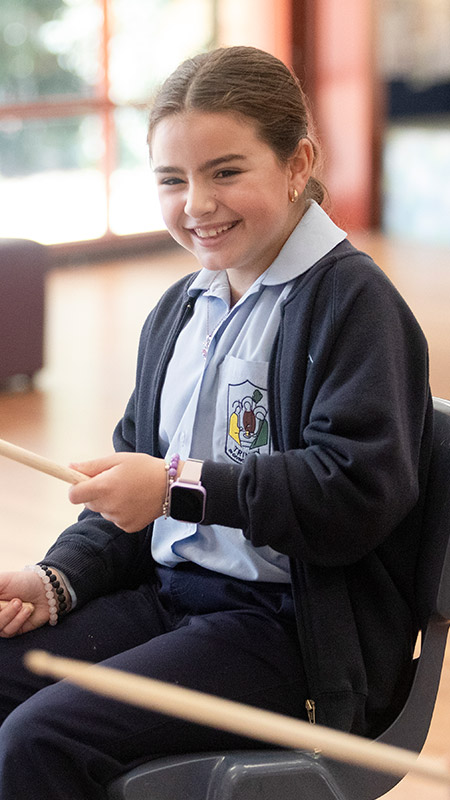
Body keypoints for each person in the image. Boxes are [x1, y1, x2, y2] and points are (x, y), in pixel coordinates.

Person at [0, 45, 433, 799]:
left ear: (298, 164)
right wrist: (58, 579)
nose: (196, 203)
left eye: (225, 172)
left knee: (42, 738)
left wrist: (175, 489)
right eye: (172, 179)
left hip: (288, 635)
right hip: (174, 599)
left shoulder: (355, 305)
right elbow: (127, 492)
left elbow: (354, 494)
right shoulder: (180, 310)